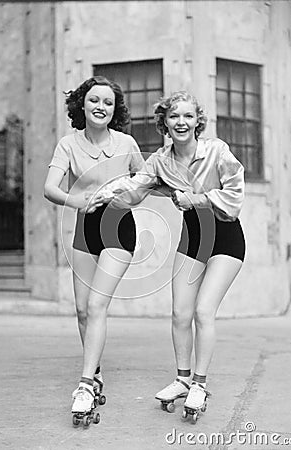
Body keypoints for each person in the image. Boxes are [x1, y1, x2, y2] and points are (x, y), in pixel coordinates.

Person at [99, 90, 245, 418]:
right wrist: (107, 193)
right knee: (180, 313)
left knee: (203, 311)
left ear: (198, 122)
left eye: (188, 116)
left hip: (226, 237)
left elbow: (235, 196)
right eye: (174, 116)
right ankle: (182, 380)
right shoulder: (161, 161)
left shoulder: (216, 151)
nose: (181, 122)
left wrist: (196, 199)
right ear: (164, 122)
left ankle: (200, 384)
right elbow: (136, 187)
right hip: (192, 238)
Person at [44, 76, 144, 418]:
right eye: (94, 100)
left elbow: (145, 182)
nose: (101, 107)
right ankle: (96, 370)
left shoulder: (127, 143)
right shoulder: (67, 145)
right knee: (83, 309)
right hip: (85, 228)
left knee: (98, 304)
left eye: (108, 103)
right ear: (82, 105)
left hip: (119, 228)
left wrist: (131, 192)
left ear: (114, 110)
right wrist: (76, 199)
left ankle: (85, 383)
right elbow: (49, 188)